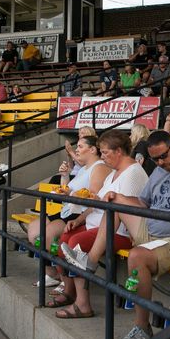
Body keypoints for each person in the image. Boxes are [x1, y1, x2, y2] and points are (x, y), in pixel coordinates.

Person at [61, 131, 170, 339]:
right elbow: (143, 204)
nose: (161, 163)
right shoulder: (159, 170)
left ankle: (142, 327)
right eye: (155, 159)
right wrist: (119, 198)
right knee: (114, 203)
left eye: (164, 156)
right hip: (153, 232)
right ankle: (90, 262)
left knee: (137, 256)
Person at [53, 130, 149, 318]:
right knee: (64, 238)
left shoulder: (133, 172)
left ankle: (82, 305)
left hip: (120, 232)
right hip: (98, 225)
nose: (102, 156)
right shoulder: (113, 172)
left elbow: (126, 211)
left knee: (76, 243)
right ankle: (70, 291)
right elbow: (98, 201)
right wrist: (78, 219)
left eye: (105, 152)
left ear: (118, 151)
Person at [30, 135, 110, 289]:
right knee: (33, 231)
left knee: (46, 236)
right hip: (67, 210)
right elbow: (67, 190)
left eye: (80, 146)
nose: (76, 150)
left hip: (79, 214)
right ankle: (52, 274)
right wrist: (65, 175)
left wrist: (70, 194)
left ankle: (64, 280)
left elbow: (92, 197)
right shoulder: (83, 169)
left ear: (93, 150)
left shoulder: (99, 167)